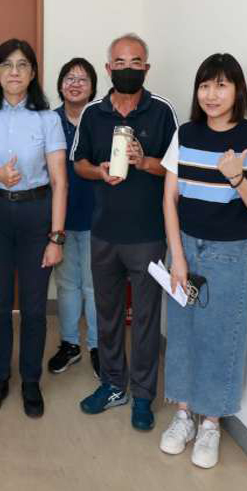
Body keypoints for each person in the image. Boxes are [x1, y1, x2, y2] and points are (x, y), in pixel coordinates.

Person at [159, 53, 247, 468]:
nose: (211, 95)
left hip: (230, 251)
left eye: (221, 85)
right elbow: (169, 199)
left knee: (221, 336)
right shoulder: (185, 134)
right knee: (183, 332)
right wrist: (177, 256)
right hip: (185, 246)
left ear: (237, 90)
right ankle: (183, 415)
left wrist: (236, 177)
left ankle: (211, 423)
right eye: (205, 85)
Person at [71, 33, 178, 431]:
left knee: (146, 319)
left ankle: (144, 395)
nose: (127, 69)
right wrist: (98, 171)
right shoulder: (93, 113)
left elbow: (177, 168)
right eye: (120, 62)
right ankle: (114, 384)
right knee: (108, 314)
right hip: (103, 232)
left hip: (148, 234)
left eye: (135, 62)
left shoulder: (162, 112)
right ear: (108, 68)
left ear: (146, 68)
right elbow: (78, 162)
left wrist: (145, 161)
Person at [0, 39, 67, 418]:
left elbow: (59, 181)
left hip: (36, 215)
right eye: (6, 65)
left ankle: (30, 380)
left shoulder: (47, 118)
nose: (14, 72)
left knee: (35, 307)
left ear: (33, 72)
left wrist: (56, 237)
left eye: (22, 65)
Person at [48, 58, 99, 377]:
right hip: (61, 218)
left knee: (94, 286)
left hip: (98, 217)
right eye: (69, 78)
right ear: (60, 85)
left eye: (82, 79)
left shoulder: (102, 119)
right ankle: (69, 344)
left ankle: (96, 346)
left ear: (93, 87)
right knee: (66, 285)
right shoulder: (49, 120)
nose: (75, 84)